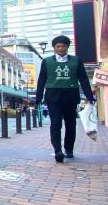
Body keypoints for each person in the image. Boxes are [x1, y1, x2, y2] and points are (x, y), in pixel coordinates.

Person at [35, 35, 95, 163]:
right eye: (58, 46)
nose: (61, 48)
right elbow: (41, 80)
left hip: (71, 96)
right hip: (53, 97)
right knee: (55, 124)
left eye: (63, 46)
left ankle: (69, 149)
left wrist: (90, 96)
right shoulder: (46, 61)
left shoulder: (76, 61)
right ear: (54, 48)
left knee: (71, 124)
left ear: (68, 47)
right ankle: (58, 150)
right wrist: (38, 97)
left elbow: (83, 79)